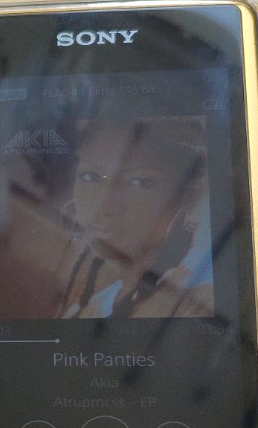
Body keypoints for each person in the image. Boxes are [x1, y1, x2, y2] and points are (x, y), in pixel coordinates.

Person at [55, 118, 213, 319]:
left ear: (188, 197)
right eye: (90, 177)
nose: (102, 206)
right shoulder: (94, 306)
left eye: (139, 182)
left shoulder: (200, 303)